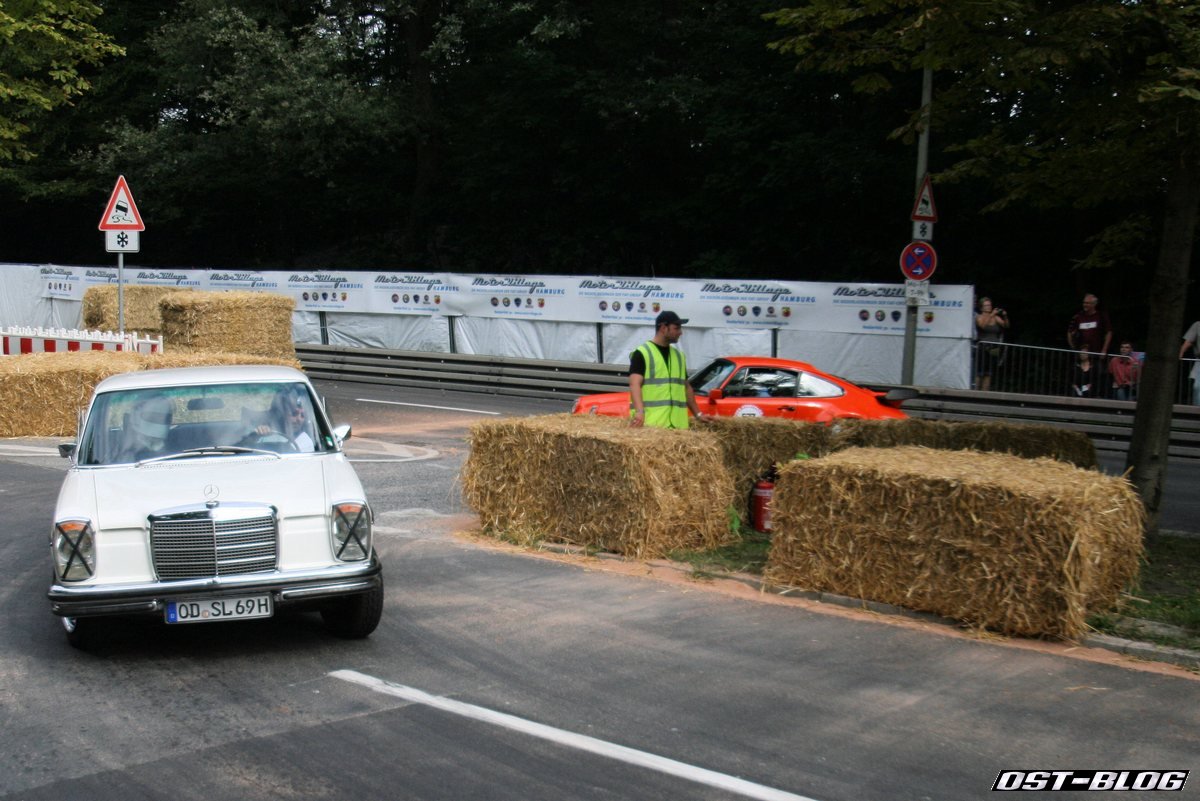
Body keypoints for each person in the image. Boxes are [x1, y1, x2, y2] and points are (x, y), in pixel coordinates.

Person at [629, 310, 704, 429]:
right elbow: (634, 384)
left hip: (678, 428)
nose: (680, 332)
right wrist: (639, 412)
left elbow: (686, 387)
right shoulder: (642, 353)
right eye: (676, 328)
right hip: (652, 426)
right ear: (663, 328)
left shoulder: (679, 356)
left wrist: (698, 414)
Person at [246, 388, 315, 451]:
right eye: (294, 414)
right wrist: (255, 436)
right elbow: (244, 450)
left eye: (302, 415)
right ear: (281, 414)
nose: (299, 419)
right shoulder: (263, 434)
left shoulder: (305, 441)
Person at [117, 396, 172, 462]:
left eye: (166, 419)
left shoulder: (175, 451)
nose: (160, 423)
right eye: (153, 417)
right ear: (135, 418)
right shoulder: (125, 450)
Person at [973, 297, 1009, 391]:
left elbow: (1006, 325)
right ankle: (975, 392)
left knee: (989, 373)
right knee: (980, 372)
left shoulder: (996, 318)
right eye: (986, 305)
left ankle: (984, 393)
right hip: (983, 347)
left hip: (994, 348)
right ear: (981, 307)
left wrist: (1005, 316)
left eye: (990, 305)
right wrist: (991, 315)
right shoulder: (979, 317)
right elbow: (982, 326)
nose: (989, 307)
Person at [1181, 320, 1200, 405]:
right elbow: (1188, 341)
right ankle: (1197, 409)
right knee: (1197, 387)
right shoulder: (1198, 325)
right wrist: (1180, 353)